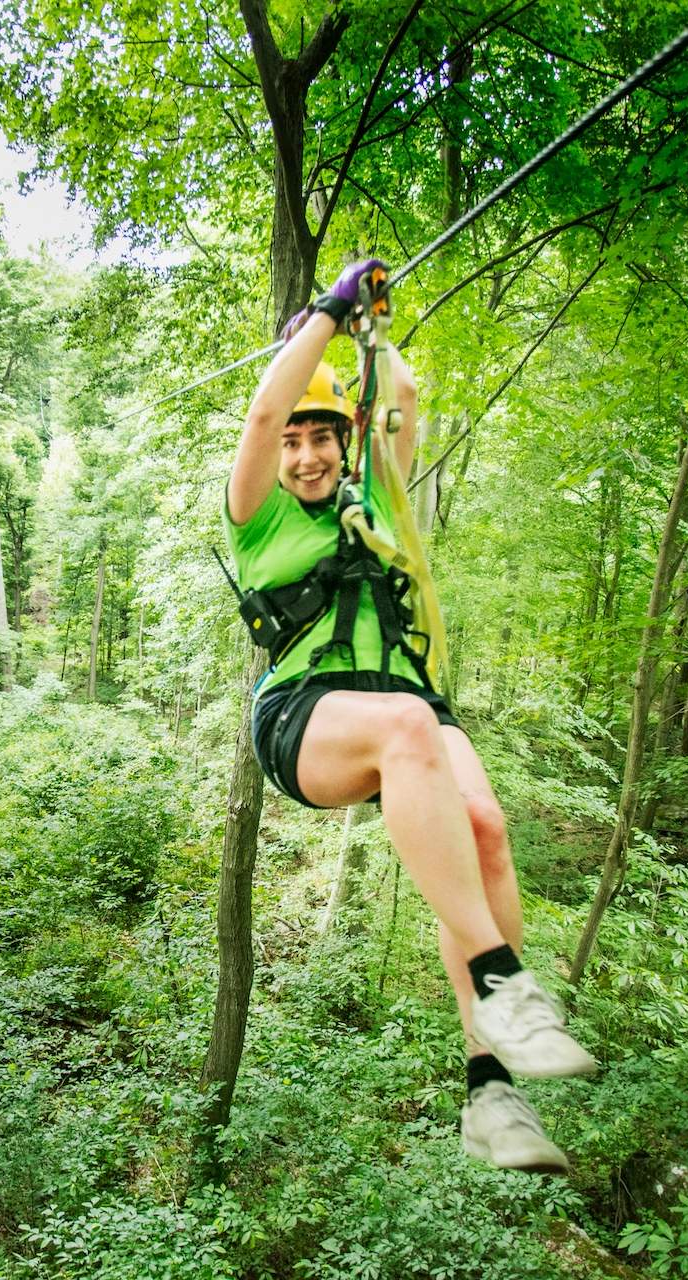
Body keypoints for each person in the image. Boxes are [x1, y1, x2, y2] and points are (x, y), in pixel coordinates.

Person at [223, 260, 595, 1174]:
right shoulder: (258, 517)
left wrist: (375, 333)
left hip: (414, 706)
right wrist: (327, 314)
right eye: (295, 442)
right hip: (306, 716)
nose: (305, 454)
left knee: (485, 830)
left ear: (344, 440)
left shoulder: (379, 500)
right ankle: (503, 980)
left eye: (323, 437)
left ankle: (491, 1095)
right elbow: (262, 414)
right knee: (406, 728)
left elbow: (408, 395)